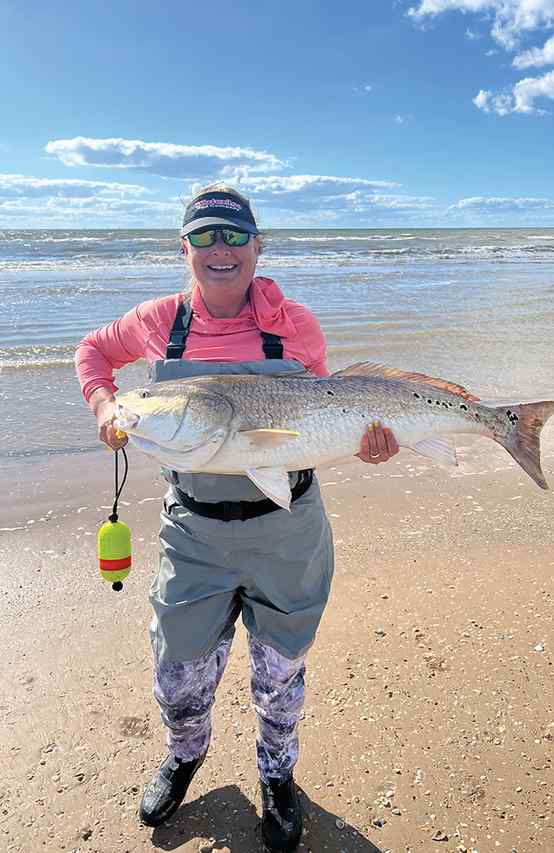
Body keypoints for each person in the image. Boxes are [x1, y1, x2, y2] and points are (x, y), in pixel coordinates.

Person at [75, 184, 399, 851]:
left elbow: (323, 412)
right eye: (202, 236)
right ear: (183, 247)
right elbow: (92, 354)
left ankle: (277, 777)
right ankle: (184, 752)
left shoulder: (296, 326)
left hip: (288, 528)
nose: (218, 250)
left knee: (281, 670)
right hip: (193, 529)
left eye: (232, 235)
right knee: (177, 667)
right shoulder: (159, 321)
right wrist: (109, 406)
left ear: (258, 244)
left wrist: (368, 442)